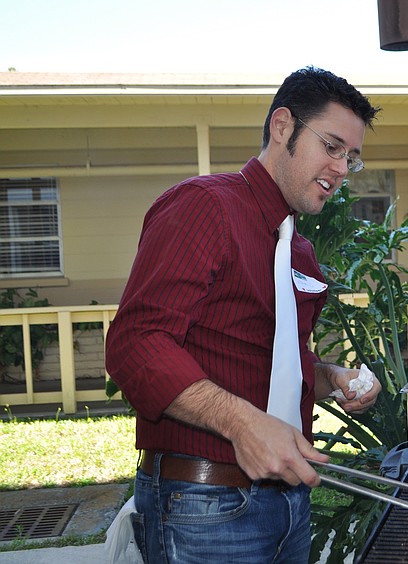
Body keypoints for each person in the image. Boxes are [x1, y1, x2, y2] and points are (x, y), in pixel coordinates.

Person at [104, 66, 382, 563]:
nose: (342, 168)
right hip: (204, 506)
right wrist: (241, 424)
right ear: (282, 127)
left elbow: (275, 362)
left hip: (292, 504)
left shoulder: (298, 251)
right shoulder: (204, 206)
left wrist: (331, 377)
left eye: (352, 157)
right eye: (332, 146)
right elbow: (137, 343)